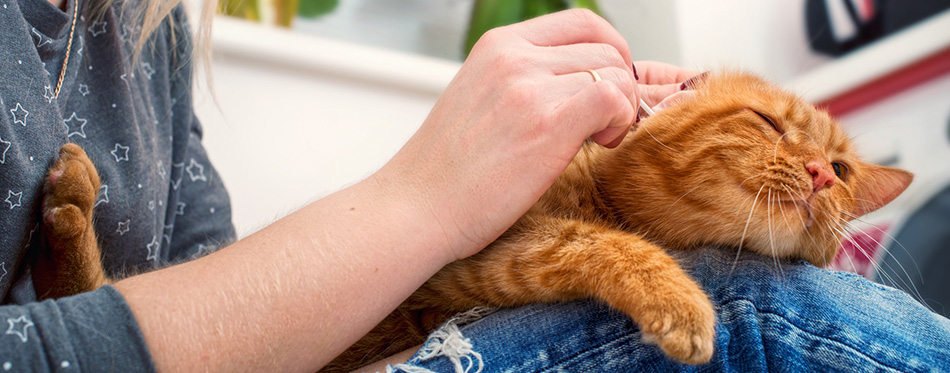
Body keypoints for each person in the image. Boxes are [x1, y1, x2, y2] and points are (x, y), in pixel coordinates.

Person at [2, 1, 948, 373]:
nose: (823, 171)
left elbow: (221, 298)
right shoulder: (584, 181)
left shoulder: (153, 25)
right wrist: (425, 195)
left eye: (843, 181)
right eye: (776, 126)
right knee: (753, 311)